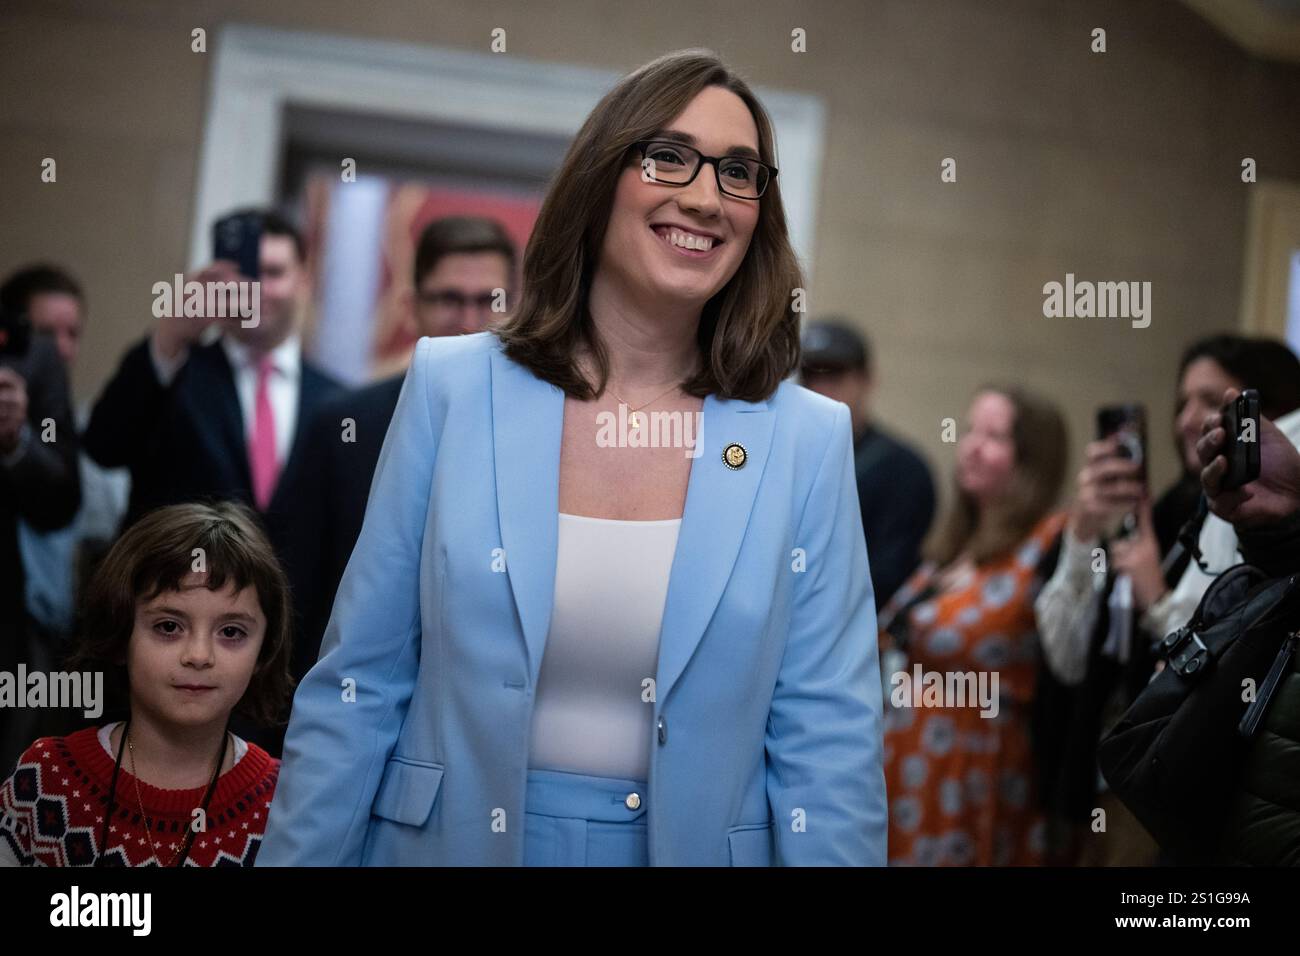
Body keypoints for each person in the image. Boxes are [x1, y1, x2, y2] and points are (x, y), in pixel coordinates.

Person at [258, 49, 887, 867]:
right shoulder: (453, 388)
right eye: (669, 158)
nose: (705, 198)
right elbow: (359, 688)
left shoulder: (807, 440)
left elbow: (829, 742)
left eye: (739, 173)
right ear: (599, 178)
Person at [81, 210, 346, 755]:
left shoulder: (339, 403)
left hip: (286, 675)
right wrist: (170, 337)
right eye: (242, 274)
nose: (256, 289)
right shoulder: (176, 367)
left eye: (272, 272)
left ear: (304, 279)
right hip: (169, 648)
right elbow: (104, 444)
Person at [1031, 334, 1288, 864]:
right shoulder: (1167, 512)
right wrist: (1082, 533)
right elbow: (1066, 657)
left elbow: (1236, 661)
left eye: (1211, 400)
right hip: (1098, 778)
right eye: (1181, 402)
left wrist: (1156, 598)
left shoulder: (1244, 520)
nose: (1188, 420)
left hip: (1170, 788)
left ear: (1262, 417)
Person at [0, 502, 290, 866]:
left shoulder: (286, 802)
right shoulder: (46, 779)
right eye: (168, 627)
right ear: (120, 636)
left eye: (231, 632)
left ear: (264, 650)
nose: (199, 655)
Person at [293, 216, 516, 675]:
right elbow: (297, 588)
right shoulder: (343, 424)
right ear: (412, 306)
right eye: (450, 300)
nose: (470, 321)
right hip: (354, 683)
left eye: (489, 301)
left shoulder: (548, 430)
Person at [878, 385, 1068, 866]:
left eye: (994, 436)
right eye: (969, 431)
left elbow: (1074, 653)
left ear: (1032, 460)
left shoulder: (1049, 542)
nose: (971, 447)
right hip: (907, 760)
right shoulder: (953, 547)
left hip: (974, 771)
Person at [799, 318, 935, 609]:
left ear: (866, 380)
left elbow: (888, 576)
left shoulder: (902, 470)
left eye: (834, 376)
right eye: (809, 376)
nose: (819, 388)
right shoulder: (783, 462)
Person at [0, 287, 81, 775]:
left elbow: (62, 501)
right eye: (53, 330)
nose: (65, 345)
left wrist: (15, 441)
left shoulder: (32, 361)